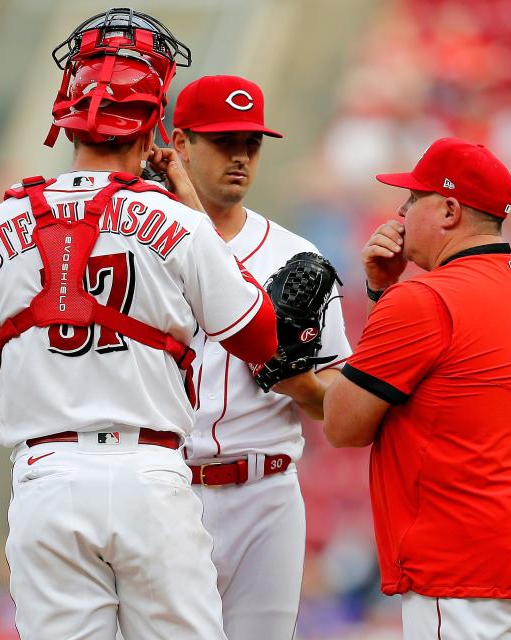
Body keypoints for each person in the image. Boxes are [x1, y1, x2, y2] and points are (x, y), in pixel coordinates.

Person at [0, 10, 278, 640]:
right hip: (147, 474)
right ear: (155, 123)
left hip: (45, 478)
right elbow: (259, 339)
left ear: (66, 112)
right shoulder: (177, 220)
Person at [323, 138, 511, 639]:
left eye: (411, 200)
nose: (399, 214)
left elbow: (343, 426)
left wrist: (382, 296)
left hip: (468, 565)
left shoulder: (423, 299)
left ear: (448, 210)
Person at [169, 75, 351, 639]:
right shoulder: (139, 244)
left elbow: (335, 401)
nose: (241, 157)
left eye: (252, 143)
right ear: (180, 145)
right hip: (163, 488)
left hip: (265, 492)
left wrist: (290, 376)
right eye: (224, 142)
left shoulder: (296, 254)